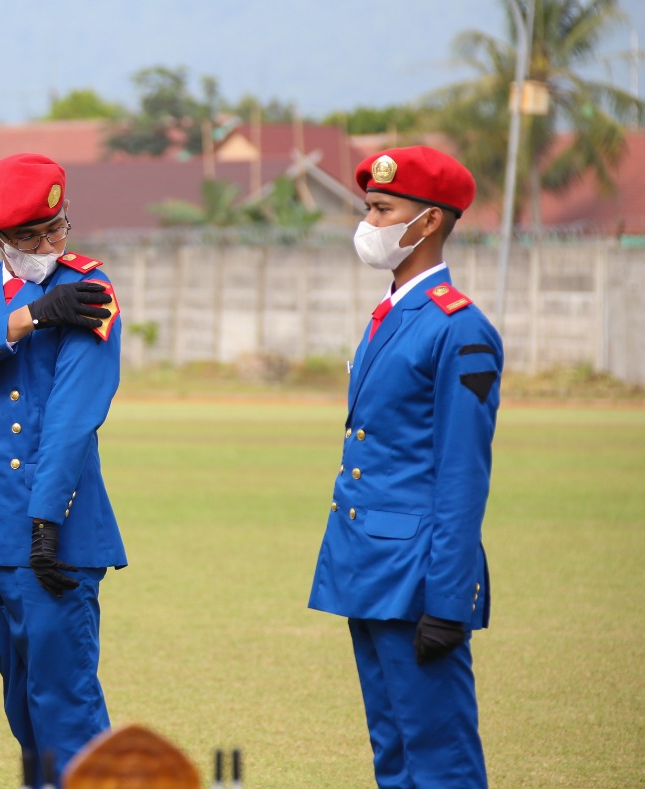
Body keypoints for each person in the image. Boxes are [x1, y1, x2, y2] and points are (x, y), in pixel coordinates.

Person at [0, 152, 125, 786]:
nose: (48, 244)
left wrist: (46, 519)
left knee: (65, 701)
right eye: (30, 235)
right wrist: (29, 316)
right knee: (20, 698)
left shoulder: (89, 290)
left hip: (54, 523)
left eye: (57, 227)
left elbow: (72, 418)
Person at [307, 145, 503, 789]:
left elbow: (461, 475)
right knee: (392, 752)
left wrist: (447, 600)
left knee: (439, 758)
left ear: (429, 223)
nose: (369, 222)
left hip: (418, 581)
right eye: (369, 207)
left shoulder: (459, 328)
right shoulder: (390, 315)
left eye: (384, 208)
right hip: (369, 566)